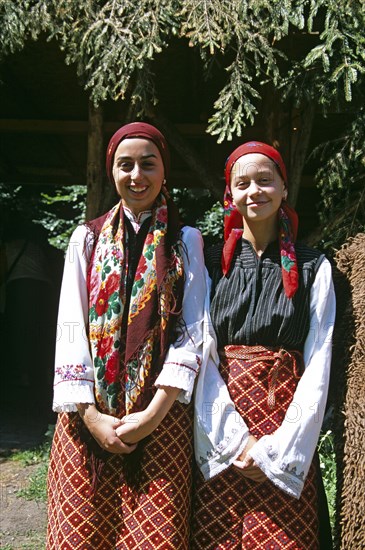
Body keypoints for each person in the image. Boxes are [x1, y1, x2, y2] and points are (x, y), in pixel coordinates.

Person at [46, 122, 209, 549]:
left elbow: (193, 330)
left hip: (160, 420)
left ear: (164, 171)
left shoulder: (185, 241)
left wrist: (152, 415)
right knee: (81, 534)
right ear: (111, 172)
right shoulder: (87, 238)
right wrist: (92, 417)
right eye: (125, 165)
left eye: (147, 164)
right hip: (89, 421)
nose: (136, 175)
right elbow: (70, 327)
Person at [192, 141, 336, 549]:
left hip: (287, 426)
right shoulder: (207, 268)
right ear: (230, 194)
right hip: (220, 426)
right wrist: (234, 440)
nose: (254, 191)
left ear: (284, 189)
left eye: (265, 181)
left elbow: (319, 358)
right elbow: (202, 352)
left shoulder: (313, 267)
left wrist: (276, 448)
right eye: (243, 183)